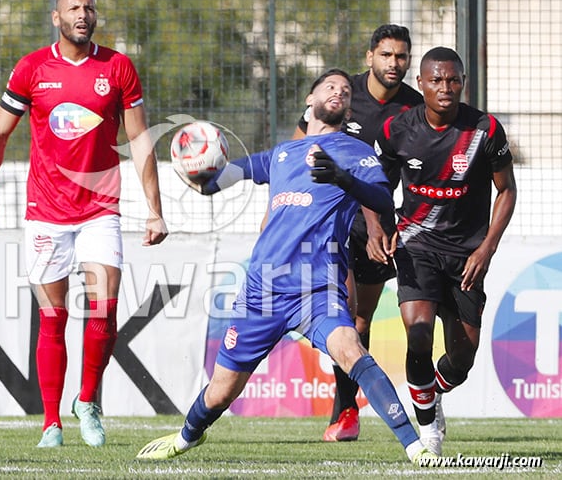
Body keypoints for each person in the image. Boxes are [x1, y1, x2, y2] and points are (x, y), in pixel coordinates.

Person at [136, 69, 436, 465]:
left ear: (347, 109)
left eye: (345, 91)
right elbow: (222, 178)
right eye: (330, 86)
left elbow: (381, 197)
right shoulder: (281, 154)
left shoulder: (356, 153)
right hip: (264, 287)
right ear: (310, 100)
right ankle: (186, 437)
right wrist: (194, 167)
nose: (339, 92)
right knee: (223, 390)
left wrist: (343, 178)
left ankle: (415, 448)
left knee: (350, 350)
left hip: (317, 287)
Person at [0, 0, 167, 448]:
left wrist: (155, 210)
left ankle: (88, 401)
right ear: (56, 17)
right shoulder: (32, 68)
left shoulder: (117, 68)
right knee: (53, 317)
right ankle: (51, 423)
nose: (84, 14)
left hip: (101, 209)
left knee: (104, 307)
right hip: (45, 211)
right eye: (74, 8)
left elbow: (139, 141)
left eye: (89, 7)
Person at [369, 46, 517, 455]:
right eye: (436, 80)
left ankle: (430, 391)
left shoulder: (485, 130)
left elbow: (507, 191)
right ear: (421, 84)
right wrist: (374, 226)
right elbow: (372, 184)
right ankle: (428, 428)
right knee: (418, 333)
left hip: (469, 255)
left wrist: (486, 248)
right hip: (417, 245)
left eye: (453, 80)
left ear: (463, 83)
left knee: (462, 360)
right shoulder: (398, 129)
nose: (445, 88)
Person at [293, 24, 423, 442]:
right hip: (331, 218)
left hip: (378, 220)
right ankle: (344, 409)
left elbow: (406, 175)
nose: (394, 64)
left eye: (401, 57)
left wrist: (390, 224)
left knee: (361, 317)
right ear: (370, 57)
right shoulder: (341, 93)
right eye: (386, 55)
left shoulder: (415, 109)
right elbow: (299, 148)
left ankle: (347, 409)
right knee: (342, 308)